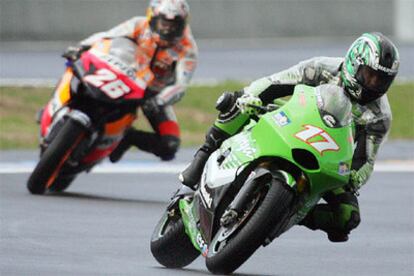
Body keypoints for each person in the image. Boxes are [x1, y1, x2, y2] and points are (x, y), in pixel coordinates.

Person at [179, 32, 400, 242]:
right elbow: (274, 83)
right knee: (238, 104)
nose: (373, 84)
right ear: (354, 62)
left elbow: (367, 159)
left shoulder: (380, 116)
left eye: (381, 80)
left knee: (347, 216)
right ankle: (203, 155)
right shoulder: (321, 68)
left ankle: (286, 213)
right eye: (369, 75)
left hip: (325, 155)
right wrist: (248, 96)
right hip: (290, 123)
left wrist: (354, 178)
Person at [63, 0, 198, 162]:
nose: (168, 28)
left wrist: (161, 99)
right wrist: (80, 46)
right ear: (153, 18)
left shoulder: (187, 48)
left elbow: (181, 85)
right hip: (121, 77)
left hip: (152, 95)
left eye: (174, 24)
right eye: (164, 23)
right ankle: (63, 111)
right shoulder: (139, 25)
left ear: (183, 24)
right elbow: (107, 36)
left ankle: (127, 137)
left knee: (169, 146)